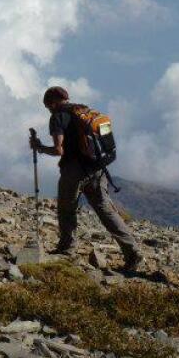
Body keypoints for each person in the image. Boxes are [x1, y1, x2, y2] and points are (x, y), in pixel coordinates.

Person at [29, 86, 142, 272]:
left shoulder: (58, 116)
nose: (49, 110)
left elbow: (59, 150)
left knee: (66, 208)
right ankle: (133, 252)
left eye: (48, 106)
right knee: (106, 211)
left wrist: (40, 148)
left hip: (74, 170)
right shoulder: (84, 111)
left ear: (52, 103)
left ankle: (67, 249)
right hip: (97, 168)